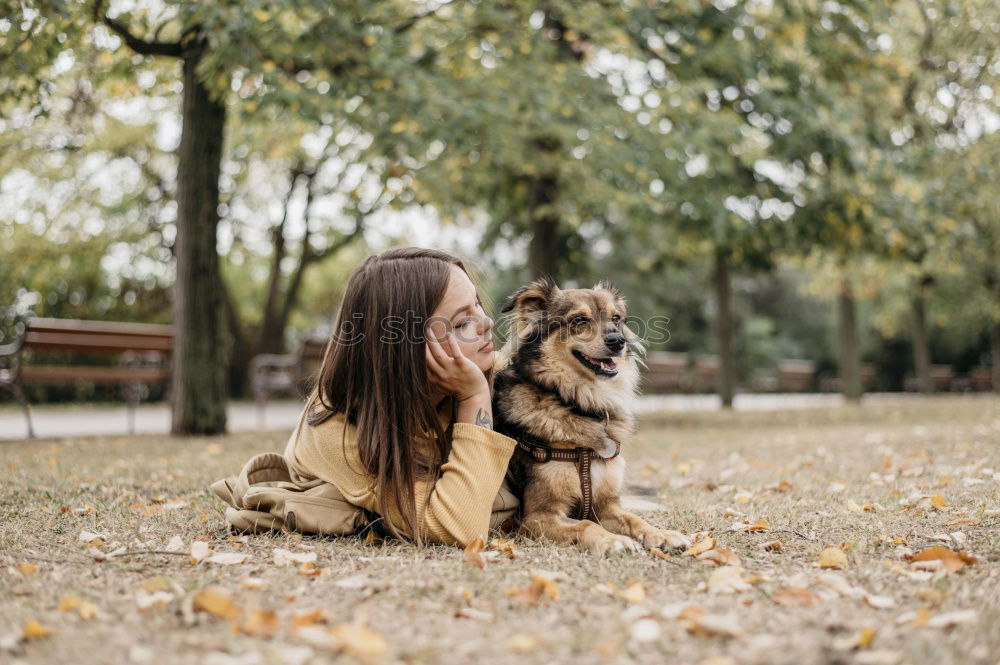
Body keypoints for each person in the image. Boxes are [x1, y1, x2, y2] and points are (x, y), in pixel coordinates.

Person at [211, 247, 519, 547]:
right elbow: (459, 526)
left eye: (478, 304)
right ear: (405, 347)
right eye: (462, 322)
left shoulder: (491, 371)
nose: (487, 322)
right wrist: (474, 398)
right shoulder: (340, 430)